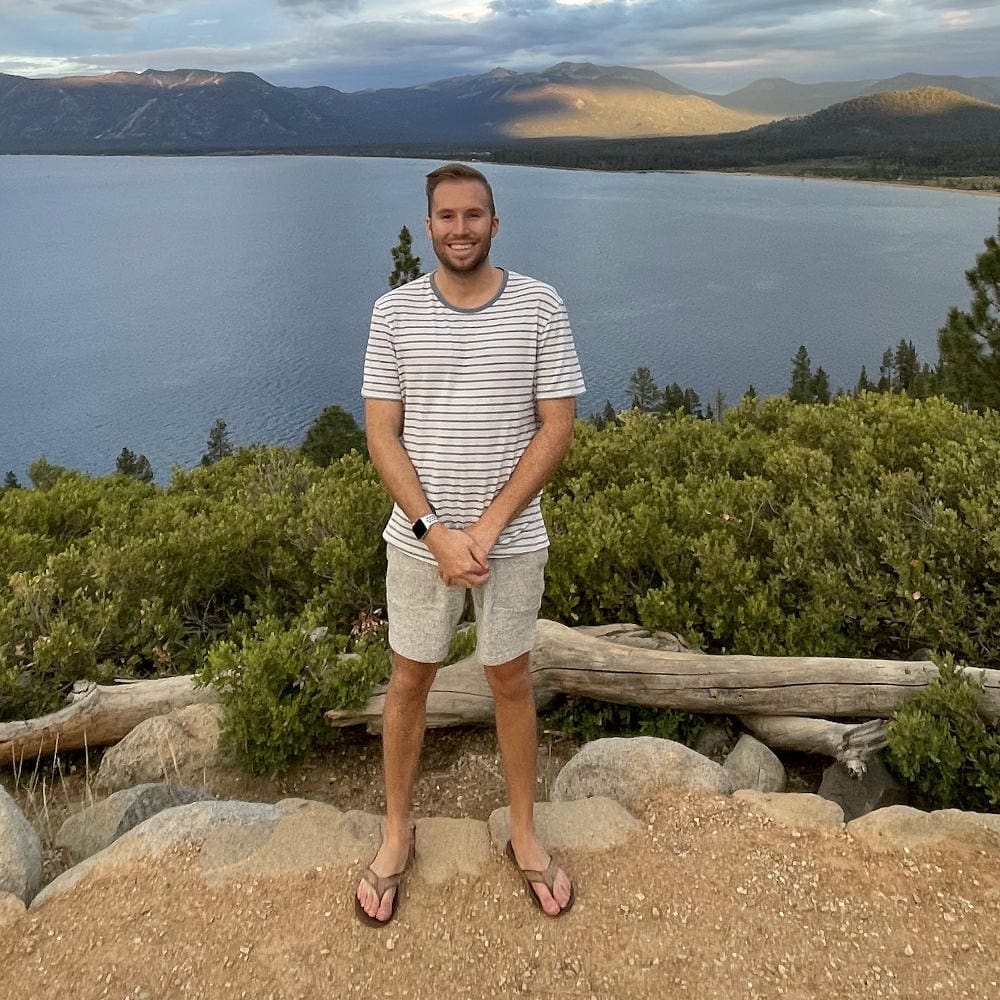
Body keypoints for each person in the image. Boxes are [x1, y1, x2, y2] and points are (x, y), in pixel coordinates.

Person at [356, 162, 585, 926]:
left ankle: (523, 832)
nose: (461, 228)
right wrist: (435, 532)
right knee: (408, 684)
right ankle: (396, 835)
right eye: (447, 216)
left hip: (512, 543)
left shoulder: (540, 305)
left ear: (495, 222)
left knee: (512, 682)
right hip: (418, 543)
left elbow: (557, 424)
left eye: (474, 215)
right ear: (428, 225)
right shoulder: (393, 314)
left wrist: (484, 529)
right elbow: (381, 432)